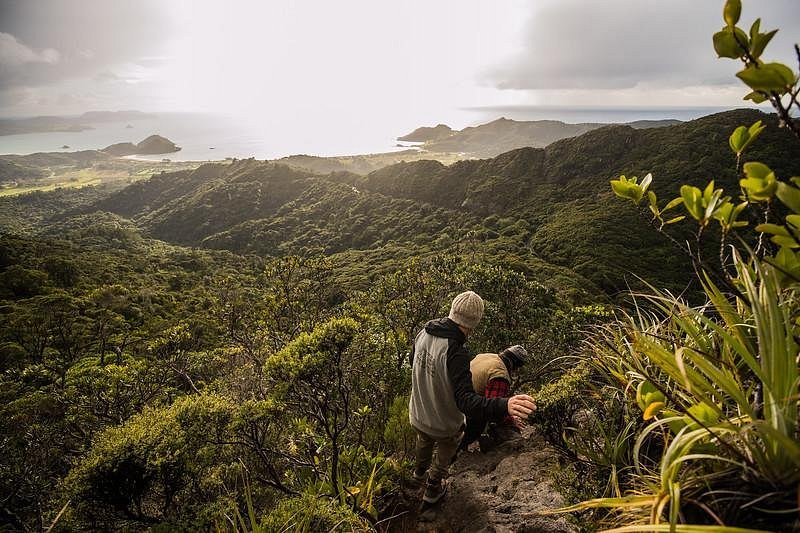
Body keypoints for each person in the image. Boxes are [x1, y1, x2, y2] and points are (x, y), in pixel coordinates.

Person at [408, 290, 536, 504]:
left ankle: (417, 475)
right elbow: (466, 402)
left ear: (452, 310)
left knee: (424, 440)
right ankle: (432, 492)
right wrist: (506, 405)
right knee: (445, 450)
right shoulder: (455, 352)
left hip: (418, 413)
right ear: (474, 323)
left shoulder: (424, 332)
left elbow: (414, 362)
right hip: (443, 424)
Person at [462, 345, 529, 452]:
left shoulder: (485, 356)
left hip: (454, 398)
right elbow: (493, 409)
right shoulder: (500, 375)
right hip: (463, 410)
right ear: (515, 365)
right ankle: (460, 447)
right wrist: (511, 420)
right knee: (481, 421)